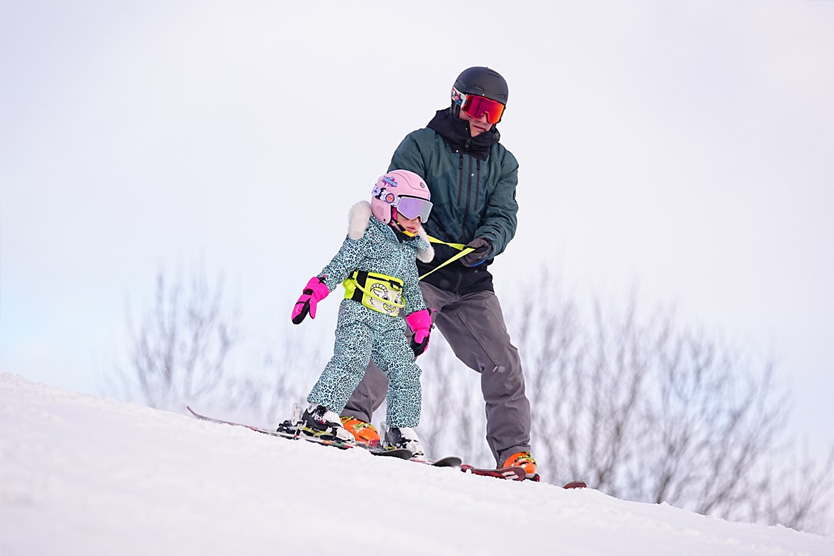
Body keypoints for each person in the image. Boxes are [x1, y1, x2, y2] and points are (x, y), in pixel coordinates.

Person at [339, 67, 539, 479]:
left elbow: (504, 214)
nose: (484, 118)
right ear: (457, 100)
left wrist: (487, 242)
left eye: (495, 111)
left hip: (470, 277)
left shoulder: (504, 163)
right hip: (418, 267)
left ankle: (514, 453)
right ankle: (351, 416)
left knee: (503, 360)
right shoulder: (422, 144)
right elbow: (396, 195)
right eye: (478, 106)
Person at [289, 170, 435, 458]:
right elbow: (339, 265)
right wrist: (313, 292)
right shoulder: (367, 236)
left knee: (405, 371)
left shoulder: (408, 251)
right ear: (387, 204)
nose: (417, 219)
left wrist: (421, 324)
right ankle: (319, 412)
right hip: (359, 313)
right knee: (351, 360)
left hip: (390, 323)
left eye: (424, 211)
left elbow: (412, 291)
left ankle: (399, 429)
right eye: (410, 209)